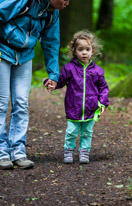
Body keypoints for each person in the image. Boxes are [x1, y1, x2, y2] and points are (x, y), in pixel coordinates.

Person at [0, 0, 70, 169]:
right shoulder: (23, 1)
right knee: (0, 102)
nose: (67, 2)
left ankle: (18, 151)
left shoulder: (52, 13)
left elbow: (51, 42)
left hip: (24, 56)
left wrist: (53, 74)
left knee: (21, 103)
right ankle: (0, 152)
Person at [44, 30, 110, 164]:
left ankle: (84, 152)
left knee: (87, 132)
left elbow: (103, 88)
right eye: (80, 49)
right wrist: (50, 83)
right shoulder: (69, 68)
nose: (84, 52)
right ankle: (69, 151)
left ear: (93, 51)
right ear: (74, 51)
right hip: (73, 107)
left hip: (91, 108)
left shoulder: (97, 71)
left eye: (87, 49)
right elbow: (60, 82)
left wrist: (102, 103)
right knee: (71, 132)